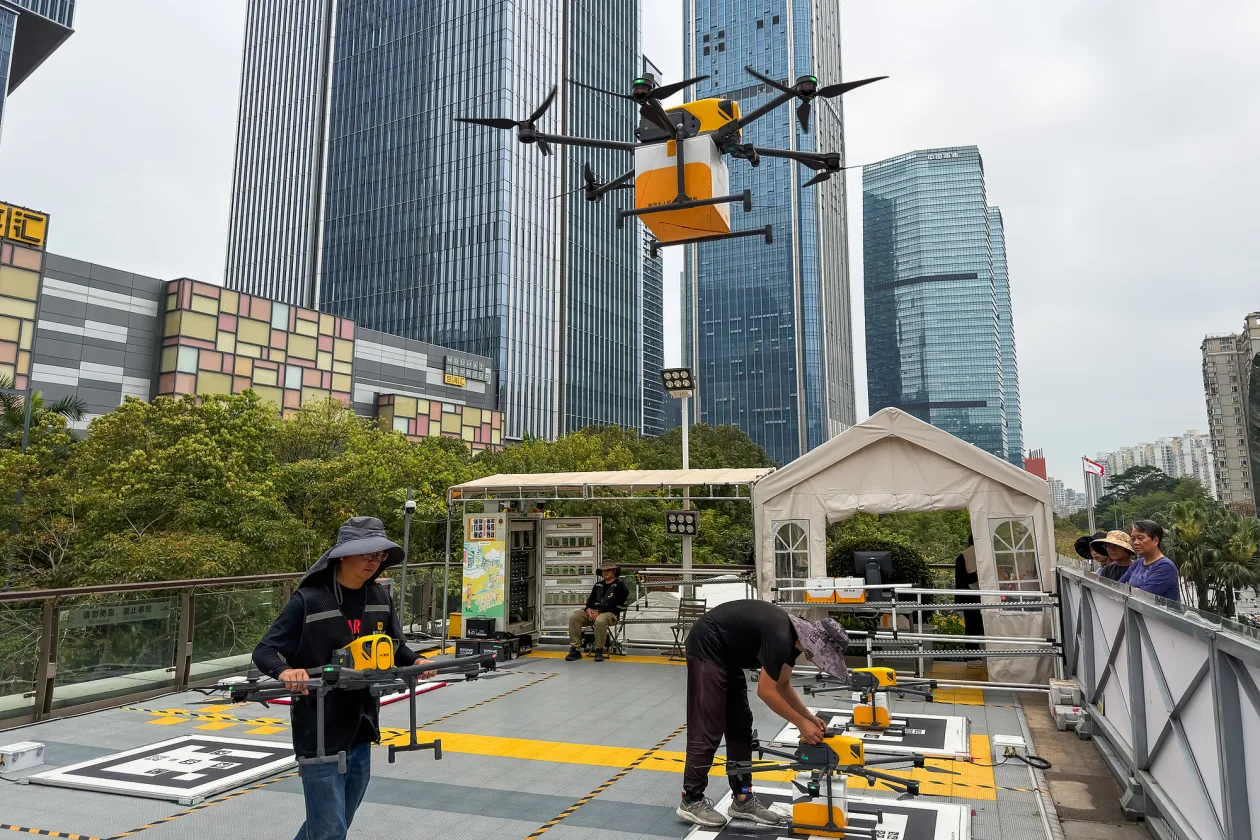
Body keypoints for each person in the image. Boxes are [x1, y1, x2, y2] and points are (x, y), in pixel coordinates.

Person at [254, 516, 436, 840]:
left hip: (361, 723)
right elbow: (265, 650)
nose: (374, 560)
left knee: (333, 823)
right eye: (367, 553)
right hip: (319, 728)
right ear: (341, 556)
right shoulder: (309, 600)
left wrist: (417, 661)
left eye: (379, 554)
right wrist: (284, 671)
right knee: (330, 830)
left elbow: (396, 648)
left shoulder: (379, 598)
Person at [676, 599, 850, 829]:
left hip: (728, 656)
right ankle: (691, 800)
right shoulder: (781, 637)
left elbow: (783, 685)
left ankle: (742, 798)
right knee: (709, 724)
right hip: (707, 645)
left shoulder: (794, 641)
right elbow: (766, 691)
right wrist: (800, 723)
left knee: (740, 725)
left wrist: (808, 717)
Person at [566, 560, 628, 662]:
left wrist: (600, 612)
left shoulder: (620, 585)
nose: (605, 572)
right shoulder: (598, 585)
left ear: (614, 571)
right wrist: (588, 609)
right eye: (603, 570)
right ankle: (575, 649)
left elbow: (616, 604)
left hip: (611, 614)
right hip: (595, 612)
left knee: (600, 620)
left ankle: (599, 650)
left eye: (608, 570)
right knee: (575, 616)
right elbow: (591, 600)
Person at [1121, 519, 1180, 602]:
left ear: (1155, 541)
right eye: (1133, 539)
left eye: (1140, 538)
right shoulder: (1138, 563)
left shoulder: (1165, 566)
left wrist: (1128, 589)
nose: (1135, 542)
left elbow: (1144, 596)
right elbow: (1119, 586)